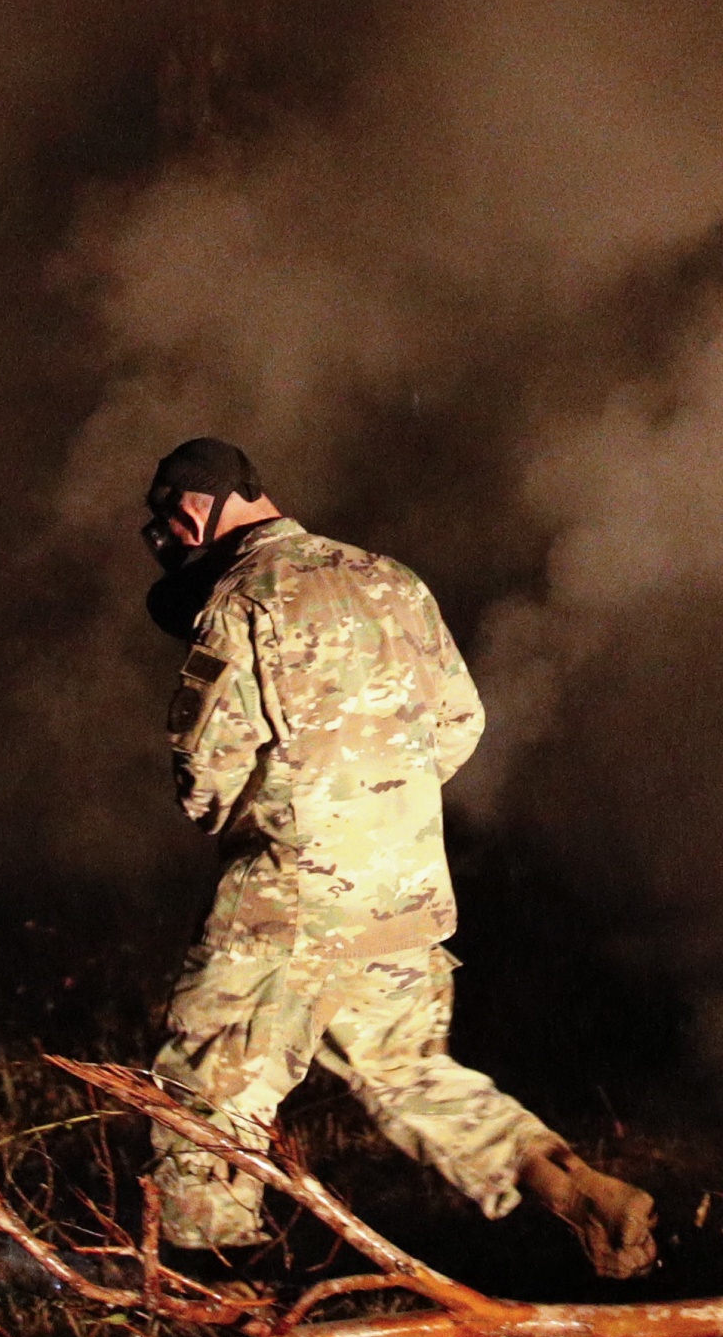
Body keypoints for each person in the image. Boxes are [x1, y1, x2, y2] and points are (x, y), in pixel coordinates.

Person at [141, 436, 657, 1280]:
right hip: (404, 892)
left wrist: (277, 821)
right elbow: (459, 724)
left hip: (288, 900)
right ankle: (572, 1191)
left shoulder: (242, 600)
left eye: (166, 533)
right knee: (410, 1074)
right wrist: (378, 807)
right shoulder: (392, 579)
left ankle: (210, 1307)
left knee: (209, 1091)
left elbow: (207, 771)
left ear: (192, 513)